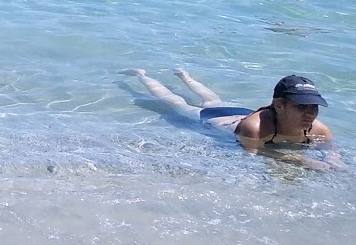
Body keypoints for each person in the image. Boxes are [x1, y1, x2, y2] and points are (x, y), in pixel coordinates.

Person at [131, 70, 337, 165]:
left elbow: (330, 148)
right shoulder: (253, 129)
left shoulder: (319, 129)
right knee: (177, 103)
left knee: (211, 98)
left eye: (314, 106)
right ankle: (142, 76)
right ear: (279, 105)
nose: (310, 113)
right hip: (214, 119)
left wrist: (333, 159)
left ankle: (186, 77)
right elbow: (255, 152)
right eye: (301, 107)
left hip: (239, 111)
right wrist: (300, 161)